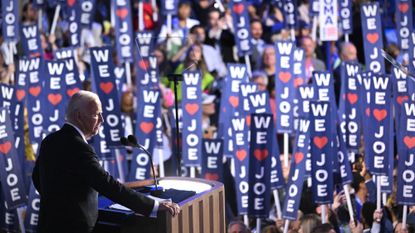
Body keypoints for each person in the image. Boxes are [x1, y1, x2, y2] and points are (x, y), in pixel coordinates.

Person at [32, 91, 180, 233]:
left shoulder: (50, 140)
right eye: (96, 114)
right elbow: (108, 185)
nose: (102, 119)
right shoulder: (80, 148)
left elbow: (37, 178)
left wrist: (57, 199)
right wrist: (154, 205)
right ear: (78, 116)